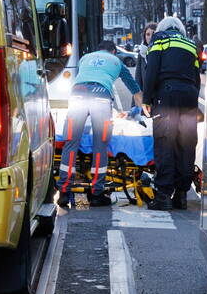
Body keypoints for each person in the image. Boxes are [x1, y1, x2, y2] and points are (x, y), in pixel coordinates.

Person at [58, 40, 144, 208]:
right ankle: (97, 194)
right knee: (100, 144)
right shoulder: (116, 61)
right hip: (101, 97)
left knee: (71, 142)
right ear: (113, 51)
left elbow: (81, 78)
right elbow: (134, 89)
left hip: (77, 94)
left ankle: (64, 192)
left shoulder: (85, 58)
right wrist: (141, 110)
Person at [142, 16, 200, 211]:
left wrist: (146, 99)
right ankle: (182, 195)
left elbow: (152, 71)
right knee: (186, 144)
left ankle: (164, 195)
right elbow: (196, 77)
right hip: (189, 97)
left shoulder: (159, 39)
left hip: (167, 96)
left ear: (161, 28)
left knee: (165, 142)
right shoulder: (190, 44)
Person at [134, 22, 157, 88]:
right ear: (144, 36)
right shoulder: (141, 53)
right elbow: (138, 76)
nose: (150, 37)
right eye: (147, 34)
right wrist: (138, 92)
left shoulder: (162, 52)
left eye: (153, 34)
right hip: (145, 90)